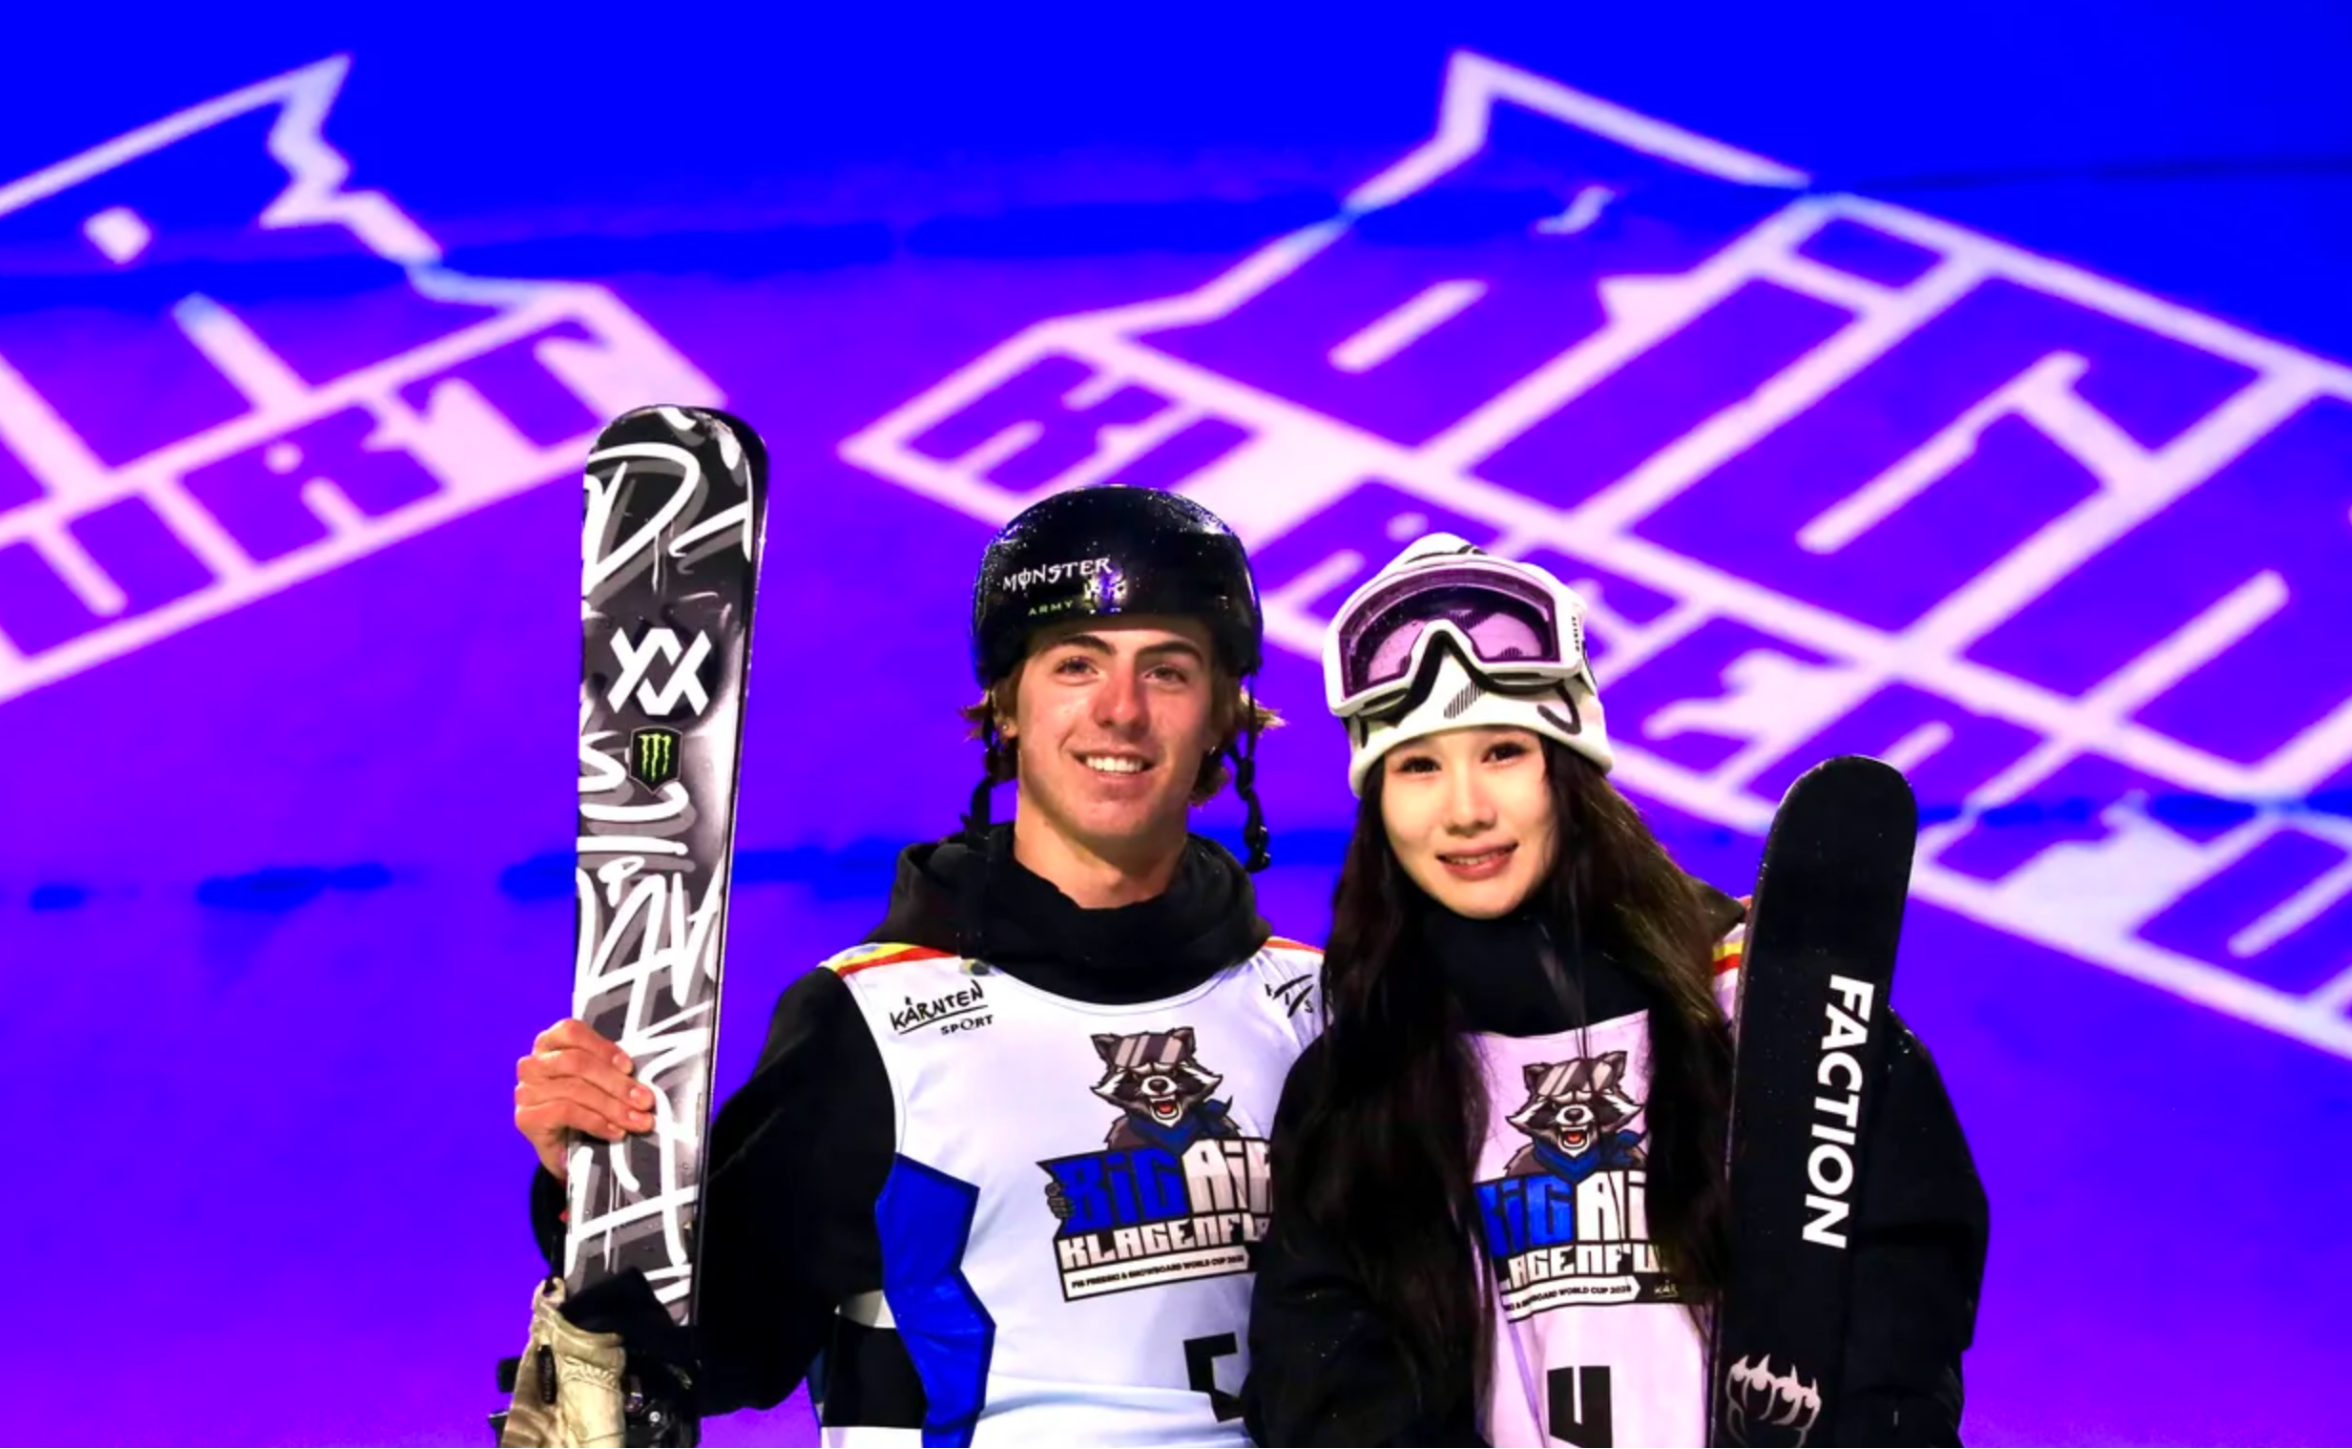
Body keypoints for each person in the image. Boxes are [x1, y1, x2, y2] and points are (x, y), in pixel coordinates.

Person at [511, 486, 1324, 1446]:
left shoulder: (1317, 1012)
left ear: (1227, 709)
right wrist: (596, 1185)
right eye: (1075, 663)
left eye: (1170, 669)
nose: (1121, 710)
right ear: (1007, 705)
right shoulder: (872, 1022)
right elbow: (721, 1345)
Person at [1246, 536, 1988, 1448]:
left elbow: (1902, 1316)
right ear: (1378, 797)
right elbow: (1332, 1401)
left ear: (1571, 766)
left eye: (1505, 752)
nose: (1465, 808)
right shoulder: (1351, 1087)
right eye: (1419, 766)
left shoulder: (1767, 1014)